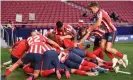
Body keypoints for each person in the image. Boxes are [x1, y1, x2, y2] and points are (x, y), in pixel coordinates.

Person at [80, 2, 128, 68]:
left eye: (91, 9)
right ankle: (114, 59)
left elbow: (98, 23)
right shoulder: (99, 13)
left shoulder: (100, 12)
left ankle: (123, 56)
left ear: (95, 7)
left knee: (108, 48)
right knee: (102, 46)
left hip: (112, 31)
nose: (91, 11)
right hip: (106, 32)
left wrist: (90, 28)